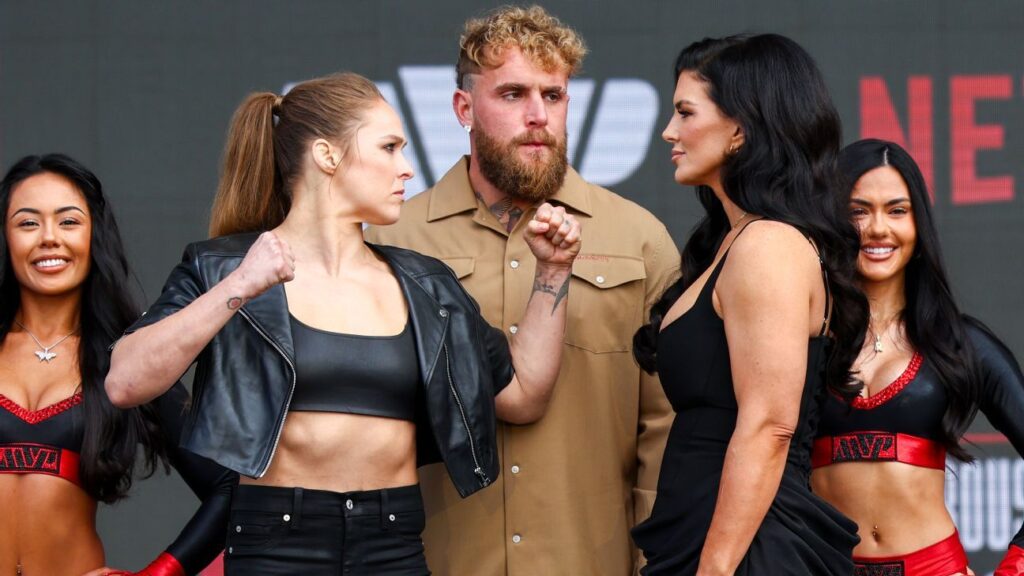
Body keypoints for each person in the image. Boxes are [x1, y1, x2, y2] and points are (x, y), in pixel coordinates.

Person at [104, 71, 580, 575]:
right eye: (390, 148)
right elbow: (125, 381)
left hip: (392, 543)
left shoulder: (427, 285)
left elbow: (523, 394)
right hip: (274, 540)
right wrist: (239, 286)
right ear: (328, 156)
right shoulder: (221, 267)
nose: (408, 169)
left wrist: (553, 272)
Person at [364, 5, 680, 575]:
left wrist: (654, 564)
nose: (538, 116)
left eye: (553, 96)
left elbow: (666, 429)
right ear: (464, 108)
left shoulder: (640, 240)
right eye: (512, 94)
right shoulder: (393, 239)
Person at [628, 35, 871, 575]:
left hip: (749, 549)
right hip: (713, 538)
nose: (668, 131)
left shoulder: (769, 246)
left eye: (685, 112)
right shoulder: (735, 242)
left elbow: (769, 426)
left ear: (740, 129)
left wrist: (714, 568)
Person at [0, 154, 233, 576]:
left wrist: (158, 573)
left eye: (69, 222)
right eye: (28, 223)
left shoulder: (125, 361)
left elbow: (228, 489)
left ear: (94, 237)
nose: (49, 238)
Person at [809, 138, 1024, 576]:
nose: (876, 229)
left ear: (918, 227)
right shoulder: (804, 336)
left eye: (896, 210)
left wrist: (1014, 568)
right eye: (857, 211)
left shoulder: (961, 343)